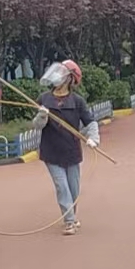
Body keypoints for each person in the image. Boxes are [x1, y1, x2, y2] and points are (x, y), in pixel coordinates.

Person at [31, 60, 101, 236]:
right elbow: (36, 126)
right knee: (62, 187)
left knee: (73, 189)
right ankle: (69, 221)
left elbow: (90, 121)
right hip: (51, 151)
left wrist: (93, 138)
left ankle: (72, 215)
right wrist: (42, 116)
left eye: (62, 73)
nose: (57, 75)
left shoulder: (77, 101)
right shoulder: (44, 98)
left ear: (70, 79)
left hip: (72, 151)